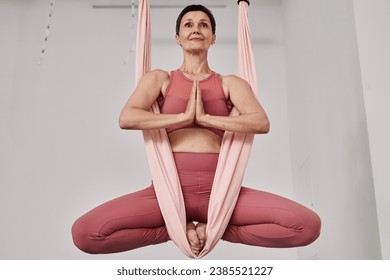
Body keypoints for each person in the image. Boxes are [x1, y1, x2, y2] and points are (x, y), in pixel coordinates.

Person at [72, 4, 321, 257]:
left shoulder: (230, 83)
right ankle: (172, 229)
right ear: (178, 37)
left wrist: (206, 118)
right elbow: (127, 117)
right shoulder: (160, 79)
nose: (196, 29)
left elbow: (260, 122)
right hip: (167, 191)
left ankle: (216, 228)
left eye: (204, 25)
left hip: (222, 193)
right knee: (85, 233)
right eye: (188, 25)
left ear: (213, 38)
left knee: (307, 227)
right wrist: (182, 116)